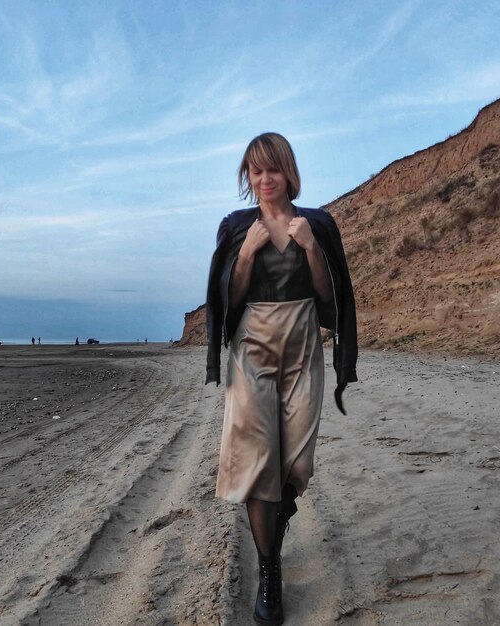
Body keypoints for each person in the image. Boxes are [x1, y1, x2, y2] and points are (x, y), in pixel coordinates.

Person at [205, 132, 357, 624]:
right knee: (256, 455)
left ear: (288, 171)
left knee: (295, 457)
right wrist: (246, 254)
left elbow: (330, 293)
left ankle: (279, 511)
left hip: (303, 337)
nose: (264, 179)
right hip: (252, 342)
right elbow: (227, 298)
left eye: (272, 169)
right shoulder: (235, 226)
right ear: (248, 178)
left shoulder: (318, 223)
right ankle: (269, 570)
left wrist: (312, 248)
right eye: (255, 171)